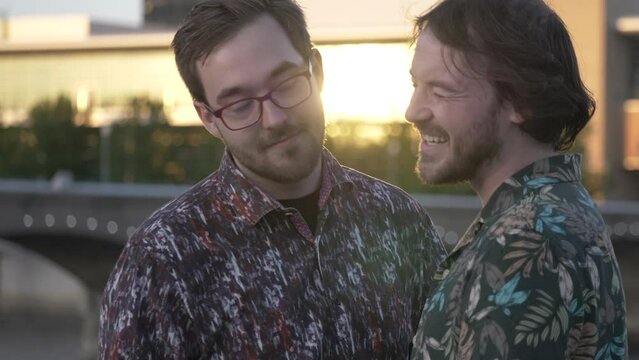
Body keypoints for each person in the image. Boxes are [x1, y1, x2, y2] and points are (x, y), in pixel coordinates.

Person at [98, 0, 446, 358]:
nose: (274, 118)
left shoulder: (399, 220)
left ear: (317, 71)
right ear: (208, 118)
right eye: (240, 105)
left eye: (286, 82)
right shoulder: (161, 262)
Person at [405, 0, 628, 359]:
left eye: (441, 90)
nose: (412, 111)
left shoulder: (524, 241)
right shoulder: (560, 207)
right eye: (416, 84)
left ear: (522, 102)